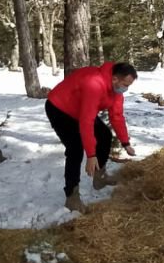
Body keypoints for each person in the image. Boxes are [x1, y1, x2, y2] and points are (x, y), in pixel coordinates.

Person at [45, 62, 137, 211]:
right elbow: (86, 121)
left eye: (129, 85)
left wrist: (125, 142)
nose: (126, 88)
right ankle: (72, 197)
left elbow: (117, 116)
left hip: (79, 109)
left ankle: (99, 178)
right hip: (59, 107)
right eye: (125, 84)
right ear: (115, 79)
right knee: (75, 148)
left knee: (105, 135)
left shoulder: (116, 91)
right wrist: (91, 155)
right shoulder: (94, 84)